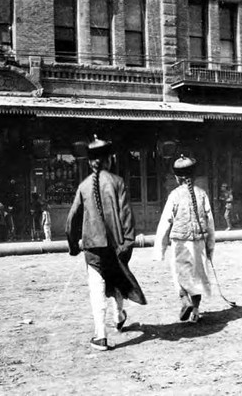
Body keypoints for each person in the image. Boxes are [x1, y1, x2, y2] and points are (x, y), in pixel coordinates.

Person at [66, 135, 147, 351]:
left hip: (92, 247)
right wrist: (127, 244)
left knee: (97, 288)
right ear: (109, 160)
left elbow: (72, 219)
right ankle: (119, 316)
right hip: (116, 244)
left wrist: (74, 245)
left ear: (90, 162)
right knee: (117, 278)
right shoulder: (118, 182)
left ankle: (100, 336)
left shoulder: (83, 187)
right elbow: (127, 217)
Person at [153, 155, 216, 323]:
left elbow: (165, 221)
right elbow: (210, 224)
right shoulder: (202, 194)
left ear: (176, 177)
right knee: (198, 276)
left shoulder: (174, 195)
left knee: (180, 274)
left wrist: (160, 249)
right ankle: (195, 311)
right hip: (199, 242)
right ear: (193, 176)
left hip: (180, 243)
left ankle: (184, 300)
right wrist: (210, 247)